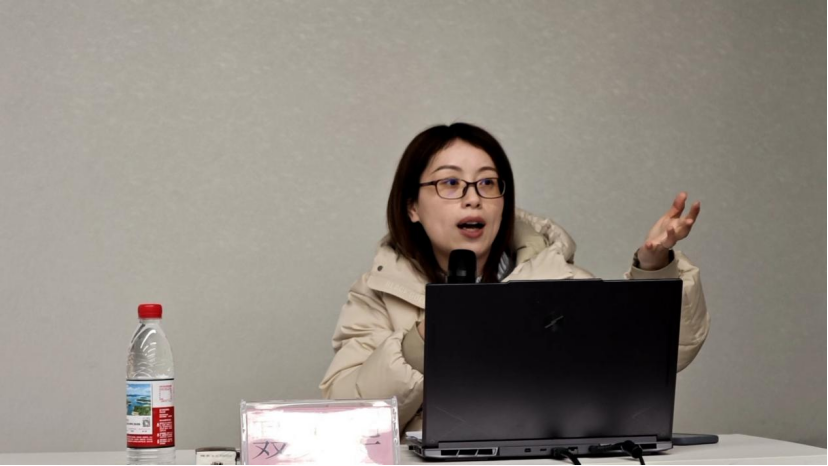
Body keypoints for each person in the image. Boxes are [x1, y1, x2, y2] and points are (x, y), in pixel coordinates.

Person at [319, 123, 710, 433]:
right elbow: (346, 417)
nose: (473, 197)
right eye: (450, 182)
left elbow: (652, 363)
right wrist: (424, 338)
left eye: (488, 182)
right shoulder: (379, 294)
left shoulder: (562, 281)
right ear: (412, 208)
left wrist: (655, 266)